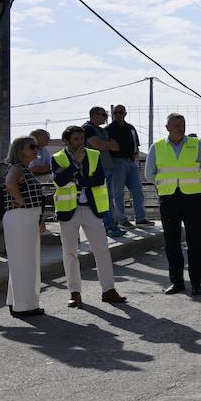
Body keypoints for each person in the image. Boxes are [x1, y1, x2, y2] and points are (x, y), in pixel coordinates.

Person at [52, 125, 128, 308]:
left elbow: (98, 179)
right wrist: (75, 165)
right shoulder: (58, 158)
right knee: (70, 253)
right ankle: (74, 292)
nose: (80, 142)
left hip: (91, 210)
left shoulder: (93, 155)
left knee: (102, 250)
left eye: (82, 138)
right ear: (67, 141)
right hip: (68, 211)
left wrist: (76, 177)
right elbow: (59, 181)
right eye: (76, 139)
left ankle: (108, 290)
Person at [146, 113, 201, 295]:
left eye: (182, 125)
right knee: (171, 242)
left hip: (193, 198)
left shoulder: (195, 144)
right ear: (167, 128)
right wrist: (165, 184)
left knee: (196, 242)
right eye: (175, 126)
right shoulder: (157, 147)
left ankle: (197, 283)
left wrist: (191, 182)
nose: (179, 129)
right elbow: (149, 173)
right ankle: (177, 282)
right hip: (169, 199)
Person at [3, 135, 46, 317]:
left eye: (37, 146)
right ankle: (25, 306)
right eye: (32, 146)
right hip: (20, 217)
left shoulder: (25, 169)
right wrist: (19, 200)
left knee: (24, 262)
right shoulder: (17, 168)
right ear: (20, 150)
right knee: (25, 263)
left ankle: (18, 303)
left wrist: (40, 219)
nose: (36, 149)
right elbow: (10, 184)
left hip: (27, 217)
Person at [106, 105, 151, 226]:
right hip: (117, 162)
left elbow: (136, 144)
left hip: (131, 162)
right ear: (113, 114)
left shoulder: (130, 128)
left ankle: (140, 219)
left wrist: (135, 157)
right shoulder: (109, 129)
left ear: (125, 113)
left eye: (120, 112)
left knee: (137, 191)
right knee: (118, 193)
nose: (118, 115)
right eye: (115, 113)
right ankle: (122, 220)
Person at [83, 107, 124, 239]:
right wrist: (108, 145)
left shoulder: (102, 130)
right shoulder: (87, 128)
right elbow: (98, 145)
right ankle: (108, 226)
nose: (106, 116)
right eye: (103, 114)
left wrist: (105, 144)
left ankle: (111, 225)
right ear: (94, 115)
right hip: (97, 169)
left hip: (107, 167)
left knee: (108, 198)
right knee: (103, 199)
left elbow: (116, 147)